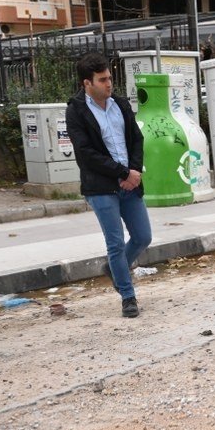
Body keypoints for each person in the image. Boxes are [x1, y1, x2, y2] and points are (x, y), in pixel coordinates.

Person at [66, 52, 150, 319]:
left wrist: (134, 171)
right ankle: (128, 296)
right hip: (101, 186)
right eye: (102, 80)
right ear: (86, 84)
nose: (109, 84)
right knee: (114, 244)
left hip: (130, 183)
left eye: (110, 78)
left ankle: (116, 268)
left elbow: (136, 139)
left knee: (143, 236)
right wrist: (123, 172)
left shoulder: (121, 105)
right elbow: (86, 153)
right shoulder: (76, 111)